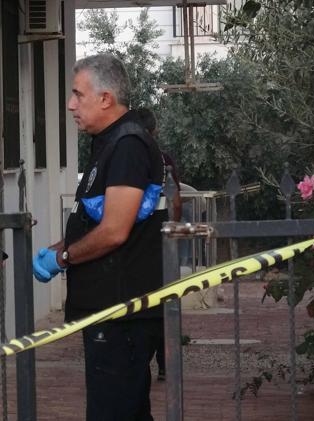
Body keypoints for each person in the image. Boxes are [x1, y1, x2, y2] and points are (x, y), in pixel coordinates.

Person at [33, 54, 166, 420]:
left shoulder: (128, 145)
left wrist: (64, 258)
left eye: (78, 94)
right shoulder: (108, 142)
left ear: (106, 98)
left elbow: (114, 231)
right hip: (110, 311)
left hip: (121, 314)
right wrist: (60, 248)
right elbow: (97, 219)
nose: (70, 105)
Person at [135, 107, 182, 382]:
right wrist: (172, 229)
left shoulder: (126, 159)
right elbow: (175, 201)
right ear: (155, 130)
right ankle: (164, 364)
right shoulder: (164, 161)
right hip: (161, 239)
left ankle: (139, 363)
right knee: (163, 305)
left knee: (137, 305)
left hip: (135, 242)